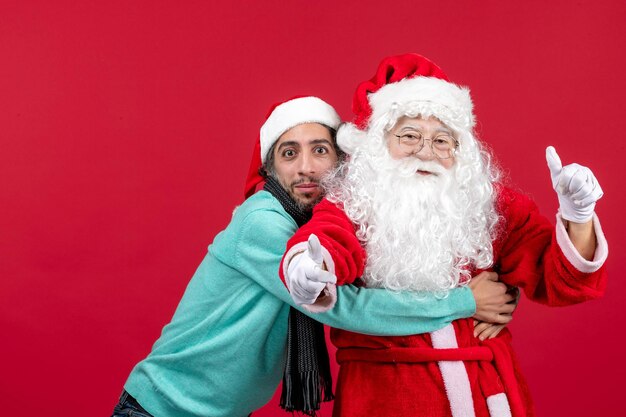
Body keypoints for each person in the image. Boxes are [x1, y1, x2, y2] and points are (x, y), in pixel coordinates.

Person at [111, 96, 515, 417]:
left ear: (341, 162)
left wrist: (501, 292)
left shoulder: (330, 232)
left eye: (320, 150)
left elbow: (398, 265)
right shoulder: (263, 222)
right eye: (289, 154)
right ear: (271, 168)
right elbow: (345, 308)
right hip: (162, 408)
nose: (306, 168)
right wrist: (466, 301)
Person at [280, 54, 608, 417]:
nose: (426, 151)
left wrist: (579, 216)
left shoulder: (487, 204)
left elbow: (558, 279)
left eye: (442, 141)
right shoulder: (355, 201)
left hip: (487, 393)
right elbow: (326, 240)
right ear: (378, 144)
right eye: (409, 136)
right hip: (383, 399)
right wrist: (308, 268)